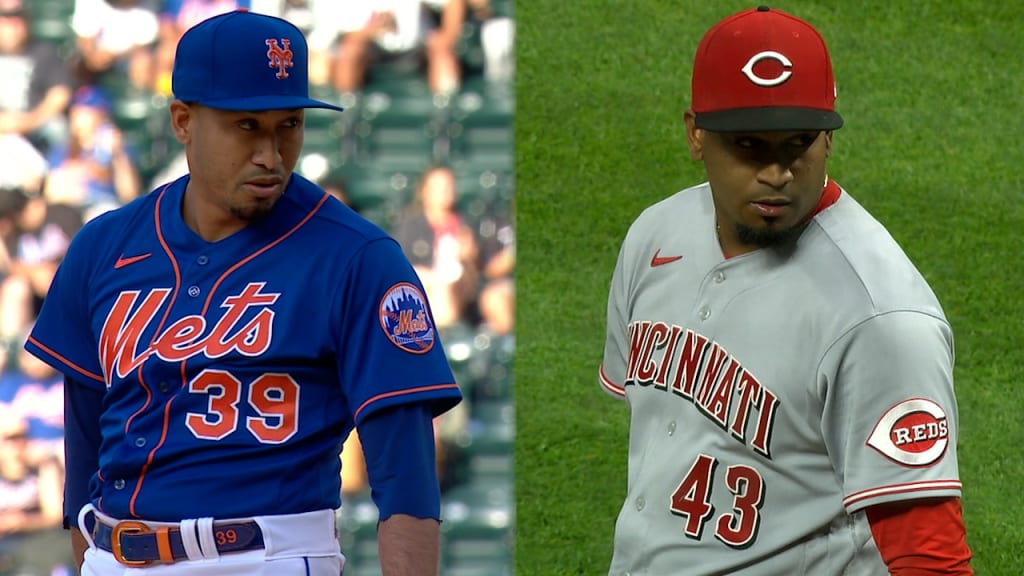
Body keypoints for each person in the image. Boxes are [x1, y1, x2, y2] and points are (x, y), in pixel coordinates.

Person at [25, 9, 462, 576]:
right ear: (183, 121)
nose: (271, 153)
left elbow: (405, 481)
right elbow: (84, 448)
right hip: (115, 557)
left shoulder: (358, 258)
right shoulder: (103, 246)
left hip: (268, 556)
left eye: (289, 125)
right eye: (247, 125)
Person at [597, 6, 973, 575]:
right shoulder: (656, 234)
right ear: (696, 134)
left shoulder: (881, 319)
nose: (777, 172)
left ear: (827, 136)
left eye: (798, 144)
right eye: (749, 145)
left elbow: (929, 557)